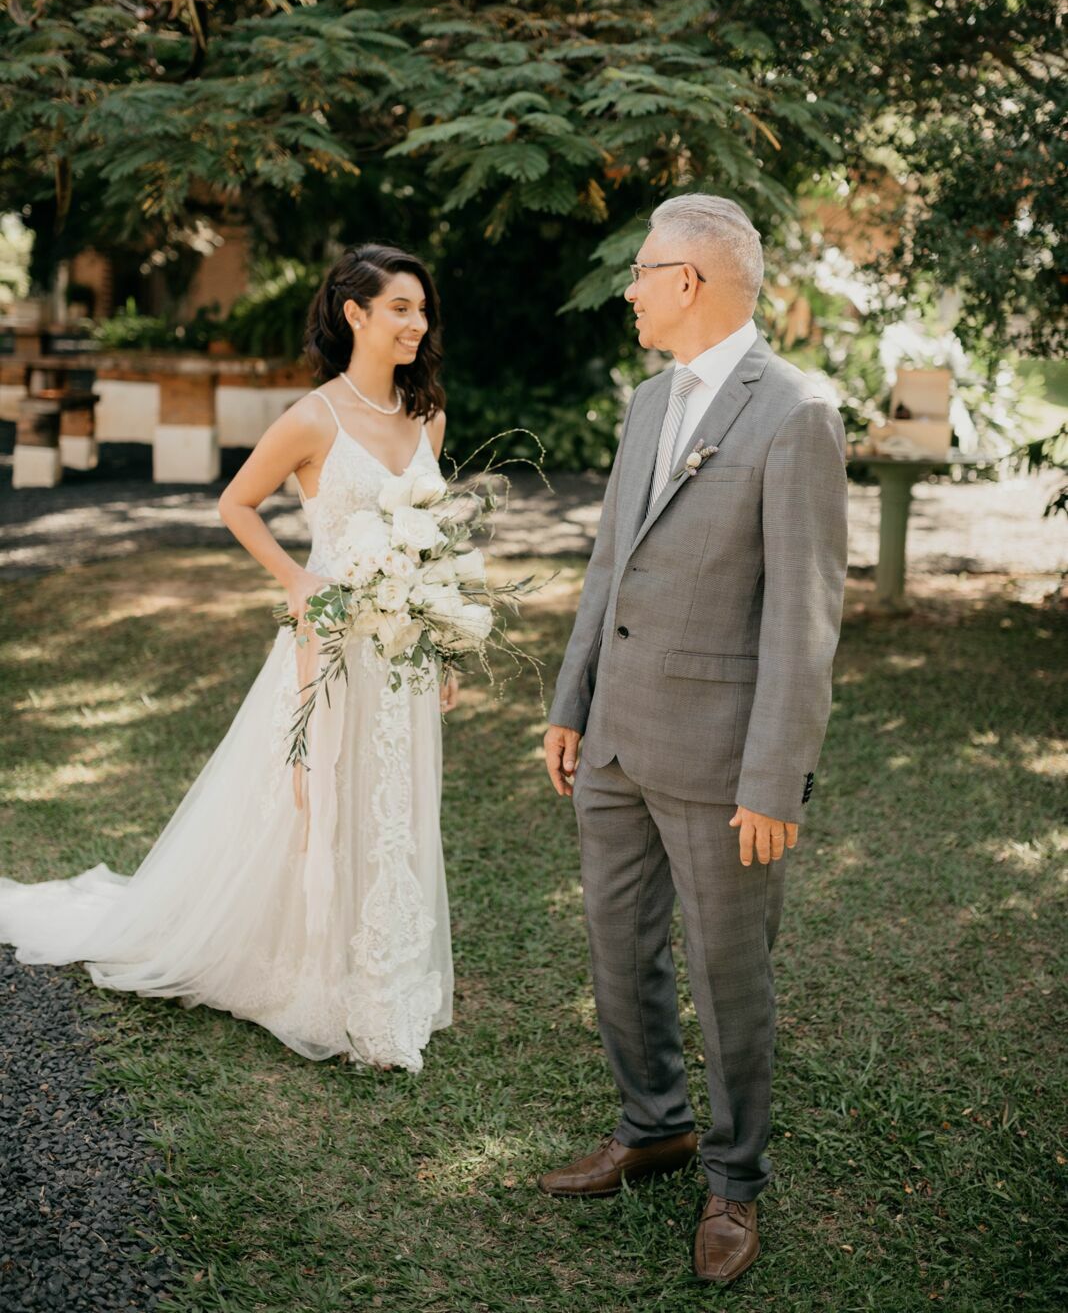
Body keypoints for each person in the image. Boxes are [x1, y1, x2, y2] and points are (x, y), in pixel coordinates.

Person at [0, 245, 456, 1072]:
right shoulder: (315, 416)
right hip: (329, 644)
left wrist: (445, 643)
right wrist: (295, 578)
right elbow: (236, 504)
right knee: (318, 804)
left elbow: (430, 542)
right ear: (356, 314)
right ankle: (318, 972)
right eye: (400, 308)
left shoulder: (429, 416)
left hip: (403, 651)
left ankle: (386, 969)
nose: (417, 324)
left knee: (392, 802)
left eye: (422, 310)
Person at [540, 195, 848, 1285]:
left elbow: (803, 621)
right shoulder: (645, 403)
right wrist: (571, 701)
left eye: (641, 269)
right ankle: (652, 1123)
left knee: (729, 977)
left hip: (722, 762)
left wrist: (776, 781)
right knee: (619, 952)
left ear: (690, 282)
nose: (627, 288)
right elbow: (609, 566)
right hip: (616, 741)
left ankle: (733, 1177)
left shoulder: (796, 413)